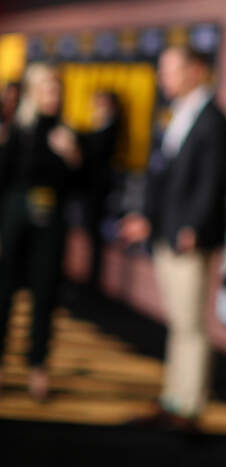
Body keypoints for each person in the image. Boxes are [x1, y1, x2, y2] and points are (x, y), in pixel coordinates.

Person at [119, 46, 226, 430]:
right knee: (178, 322)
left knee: (190, 325)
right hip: (167, 233)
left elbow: (212, 181)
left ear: (196, 70)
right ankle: (174, 398)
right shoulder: (179, 113)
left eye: (171, 70)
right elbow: (167, 179)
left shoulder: (212, 118)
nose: (163, 78)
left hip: (187, 240)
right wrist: (149, 220)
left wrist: (193, 228)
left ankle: (189, 405)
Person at [0, 64, 82, 401]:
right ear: (34, 93)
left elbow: (81, 187)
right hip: (14, 222)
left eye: (57, 90)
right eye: (47, 89)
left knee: (45, 295)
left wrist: (72, 156)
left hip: (50, 225)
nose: (53, 96)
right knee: (3, 294)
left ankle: (38, 366)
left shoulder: (66, 133)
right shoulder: (18, 131)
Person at [81, 90, 122, 288]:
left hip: (100, 192)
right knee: (90, 235)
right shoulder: (98, 127)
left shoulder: (110, 128)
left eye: (102, 104)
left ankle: (94, 282)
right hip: (89, 190)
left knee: (96, 239)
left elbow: (96, 149)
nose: (98, 108)